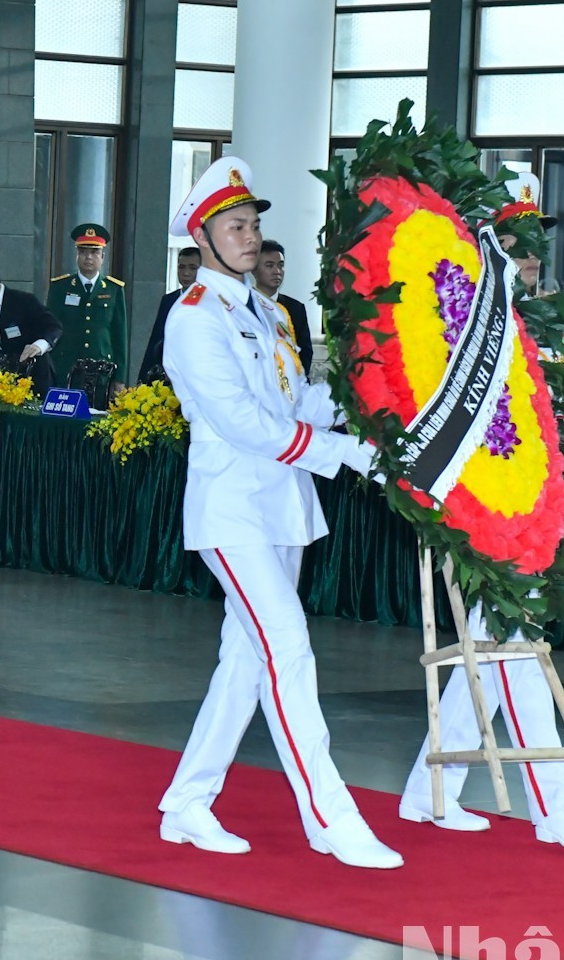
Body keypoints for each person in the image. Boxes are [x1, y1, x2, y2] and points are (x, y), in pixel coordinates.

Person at [155, 159, 400, 870]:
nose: (250, 237)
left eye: (255, 225)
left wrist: (365, 410)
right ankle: (331, 817)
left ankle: (187, 801)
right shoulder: (193, 318)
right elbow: (241, 423)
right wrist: (346, 456)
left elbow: (292, 404)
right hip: (233, 508)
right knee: (287, 646)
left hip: (281, 506)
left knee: (244, 660)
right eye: (235, 226)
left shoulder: (265, 312)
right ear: (202, 236)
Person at [398, 188, 564, 853]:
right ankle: (557, 807)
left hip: (544, 508)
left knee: (490, 647)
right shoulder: (471, 324)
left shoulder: (557, 332)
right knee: (517, 650)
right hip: (493, 511)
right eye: (516, 239)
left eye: (538, 240)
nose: (531, 255)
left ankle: (427, 791)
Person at [46, 224, 128, 385]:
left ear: (103, 256)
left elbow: (120, 336)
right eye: (82, 252)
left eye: (94, 252)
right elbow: (51, 327)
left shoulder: (114, 289)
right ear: (76, 255)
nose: (88, 257)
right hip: (66, 367)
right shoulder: (60, 287)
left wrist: (119, 379)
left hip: (102, 370)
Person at [137, 245, 202, 384]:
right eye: (181, 267)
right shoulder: (169, 300)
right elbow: (156, 338)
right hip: (168, 375)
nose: (186, 273)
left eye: (192, 268)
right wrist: (143, 378)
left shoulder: (210, 301)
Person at [252, 239, 312, 378]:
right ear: (254, 269)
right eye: (269, 265)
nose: (277, 271)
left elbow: (305, 353)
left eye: (281, 265)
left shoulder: (296, 308)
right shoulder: (245, 304)